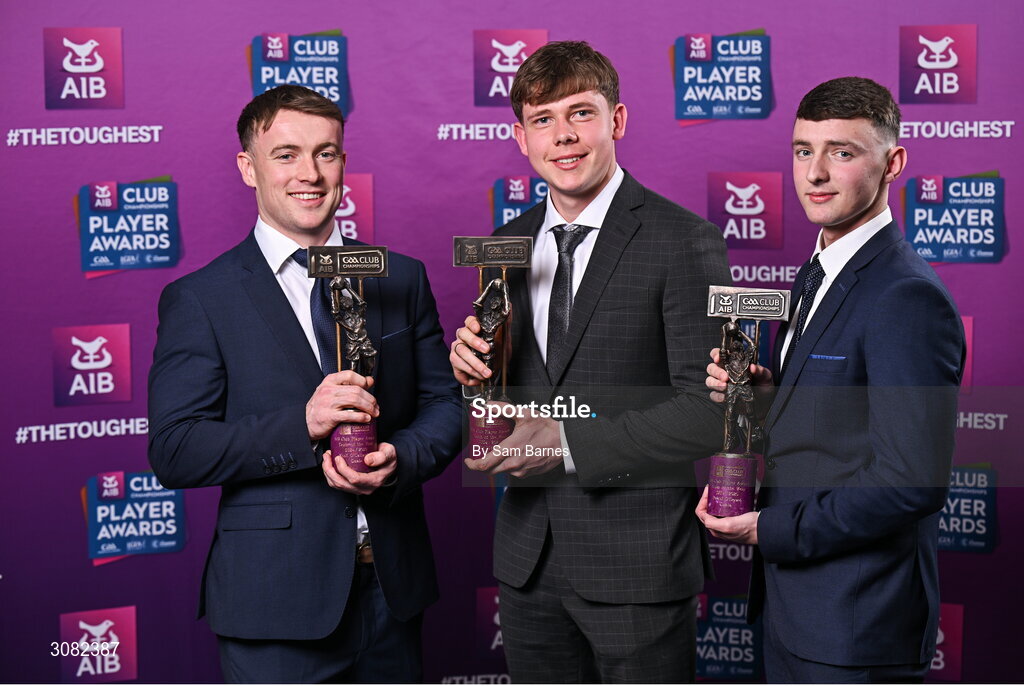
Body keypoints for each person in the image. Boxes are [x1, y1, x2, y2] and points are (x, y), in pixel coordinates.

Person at [147, 85, 461, 683]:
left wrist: (402, 457)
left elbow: (443, 406)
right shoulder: (202, 299)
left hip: (393, 593)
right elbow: (176, 449)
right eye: (286, 154)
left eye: (327, 153)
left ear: (344, 161)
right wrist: (304, 424)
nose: (310, 174)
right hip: (274, 607)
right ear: (249, 167)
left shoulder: (400, 277)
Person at [450, 41, 730, 682]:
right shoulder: (503, 247)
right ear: (521, 137)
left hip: (638, 566)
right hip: (528, 564)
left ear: (618, 121)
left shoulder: (683, 241)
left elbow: (708, 411)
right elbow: (499, 406)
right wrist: (470, 377)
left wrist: (567, 442)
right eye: (543, 119)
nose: (564, 136)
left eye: (581, 112)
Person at [699, 77, 965, 683]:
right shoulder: (818, 271)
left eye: (841, 152)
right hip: (792, 615)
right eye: (802, 151)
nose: (814, 173)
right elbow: (840, 426)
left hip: (855, 629)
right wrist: (764, 401)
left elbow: (910, 484)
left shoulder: (906, 296)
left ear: (892, 162)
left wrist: (767, 527)